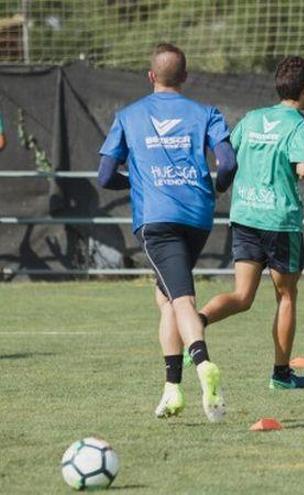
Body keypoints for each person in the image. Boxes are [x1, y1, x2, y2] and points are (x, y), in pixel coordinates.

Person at [97, 43, 237, 422]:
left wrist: (138, 181)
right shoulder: (205, 112)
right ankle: (172, 390)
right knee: (165, 297)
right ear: (185, 77)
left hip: (157, 220)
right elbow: (227, 162)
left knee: (181, 300)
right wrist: (218, 188)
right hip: (197, 217)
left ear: (150, 76)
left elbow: (106, 175)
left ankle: (203, 363)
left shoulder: (129, 115)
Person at [197, 56, 304, 389]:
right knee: (286, 296)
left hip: (244, 216)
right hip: (279, 221)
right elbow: (302, 169)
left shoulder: (252, 118)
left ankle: (196, 325)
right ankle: (281, 375)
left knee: (242, 296)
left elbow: (228, 157)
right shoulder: (301, 124)